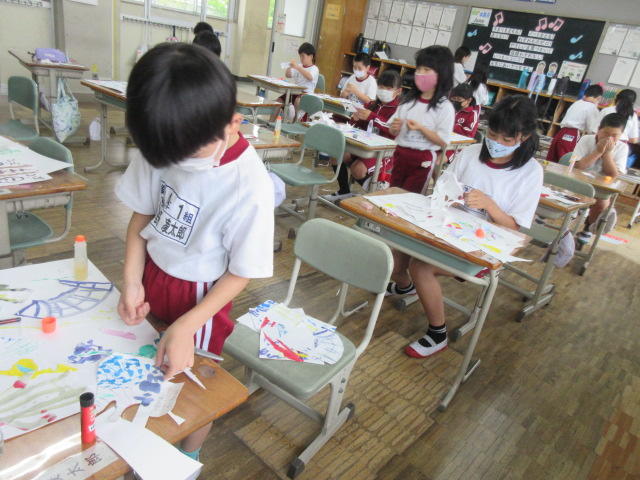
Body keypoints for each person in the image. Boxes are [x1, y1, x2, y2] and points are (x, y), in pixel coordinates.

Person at [115, 43, 274, 461]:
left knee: (191, 385)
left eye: (190, 155)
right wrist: (131, 282)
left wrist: (187, 325)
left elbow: (241, 271)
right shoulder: (164, 137)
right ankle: (143, 440)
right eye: (171, 158)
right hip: (153, 273)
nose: (179, 164)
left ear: (232, 123)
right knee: (145, 366)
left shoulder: (249, 185)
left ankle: (188, 456)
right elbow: (141, 218)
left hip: (202, 296)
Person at [403, 95, 543, 358]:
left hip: (482, 246)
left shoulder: (530, 172)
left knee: (420, 266)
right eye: (492, 134)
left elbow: (514, 229)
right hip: (448, 228)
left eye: (506, 139)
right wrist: (450, 197)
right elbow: (443, 188)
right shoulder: (470, 153)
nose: (496, 143)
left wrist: (489, 205)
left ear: (523, 137)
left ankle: (437, 334)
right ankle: (403, 286)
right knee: (401, 241)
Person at [324, 70, 401, 200]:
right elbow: (360, 122)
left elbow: (392, 130)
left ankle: (378, 194)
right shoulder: (372, 104)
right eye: (381, 87)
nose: (383, 91)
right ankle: (344, 191)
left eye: (388, 88)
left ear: (398, 91)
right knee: (337, 155)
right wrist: (354, 117)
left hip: (384, 151)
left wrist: (372, 116)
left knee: (358, 170)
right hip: (365, 145)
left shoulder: (399, 110)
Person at [387, 45, 455, 194]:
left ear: (441, 74)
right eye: (418, 69)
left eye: (426, 70)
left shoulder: (445, 107)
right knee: (392, 194)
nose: (420, 73)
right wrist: (394, 128)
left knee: (408, 198)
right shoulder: (408, 101)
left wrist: (421, 129)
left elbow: (443, 141)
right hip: (400, 154)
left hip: (422, 160)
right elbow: (392, 130)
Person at [573, 113, 629, 244]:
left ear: (621, 135)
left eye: (614, 135)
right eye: (606, 133)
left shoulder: (622, 147)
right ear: (598, 130)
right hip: (579, 181)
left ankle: (589, 227)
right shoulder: (586, 139)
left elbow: (613, 175)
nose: (609, 138)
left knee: (602, 203)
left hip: (601, 188)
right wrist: (598, 151)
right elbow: (578, 166)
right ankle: (566, 219)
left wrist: (607, 153)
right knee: (577, 198)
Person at [546, 84, 603, 162]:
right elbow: (591, 130)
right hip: (572, 135)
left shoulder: (577, 102)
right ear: (599, 98)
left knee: (551, 160)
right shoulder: (592, 108)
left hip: (560, 133)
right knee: (567, 162)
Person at [272, 42, 319, 121]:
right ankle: (271, 122)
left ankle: (294, 122)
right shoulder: (299, 66)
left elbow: (310, 77)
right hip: (295, 92)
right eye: (300, 56)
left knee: (297, 101)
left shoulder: (314, 68)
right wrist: (289, 67)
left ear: (311, 56)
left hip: (306, 94)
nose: (301, 59)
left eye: (303, 56)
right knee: (278, 101)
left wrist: (298, 67)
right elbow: (288, 75)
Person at [446, 83, 480, 161]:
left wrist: (453, 125)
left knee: (438, 160)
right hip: (443, 140)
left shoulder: (472, 114)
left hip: (457, 147)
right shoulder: (450, 109)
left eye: (459, 99)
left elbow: (468, 133)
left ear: (469, 100)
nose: (455, 101)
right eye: (453, 99)